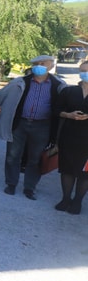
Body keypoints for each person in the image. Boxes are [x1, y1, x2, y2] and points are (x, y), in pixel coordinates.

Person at [0, 55, 66, 200]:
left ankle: (30, 187)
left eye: (43, 63)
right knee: (12, 155)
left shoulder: (58, 85)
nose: (39, 65)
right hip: (19, 123)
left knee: (35, 158)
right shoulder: (20, 82)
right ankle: (11, 184)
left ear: (51, 66)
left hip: (43, 126)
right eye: (36, 63)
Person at [54, 60, 88, 214]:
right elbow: (56, 110)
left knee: (84, 172)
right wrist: (69, 115)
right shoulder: (69, 91)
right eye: (82, 70)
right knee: (67, 169)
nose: (84, 73)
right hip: (69, 135)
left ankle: (77, 201)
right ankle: (66, 198)